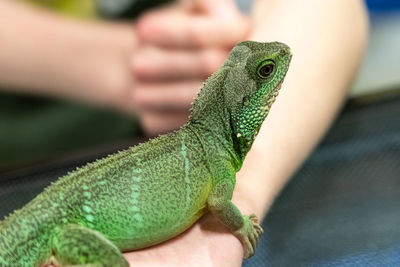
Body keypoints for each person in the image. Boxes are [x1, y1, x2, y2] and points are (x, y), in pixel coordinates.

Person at [0, 0, 368, 265]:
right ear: (242, 101)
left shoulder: (218, 156)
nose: (279, 63)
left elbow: (334, 8)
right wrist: (120, 62)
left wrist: (253, 187)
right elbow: (222, 204)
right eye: (266, 72)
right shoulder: (218, 167)